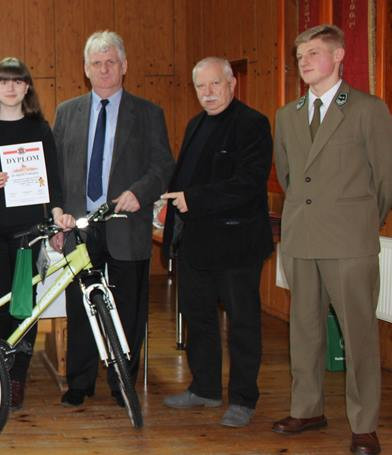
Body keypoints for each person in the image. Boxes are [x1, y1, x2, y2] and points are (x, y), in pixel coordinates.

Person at [272, 24, 392, 455]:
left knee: (358, 336)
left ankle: (364, 424)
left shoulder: (366, 109)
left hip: (349, 241)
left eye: (314, 53)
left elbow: (385, 180)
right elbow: (287, 176)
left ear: (339, 56)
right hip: (302, 238)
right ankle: (307, 409)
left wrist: (358, 221)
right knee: (302, 331)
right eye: (300, 54)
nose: (304, 61)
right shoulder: (287, 115)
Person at [50, 31, 174, 407]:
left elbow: (163, 165)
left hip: (126, 223)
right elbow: (53, 171)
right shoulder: (66, 112)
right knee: (80, 304)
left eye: (111, 62)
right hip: (79, 226)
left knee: (128, 308)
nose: (104, 70)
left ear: (124, 66)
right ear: (85, 69)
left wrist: (141, 191)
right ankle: (79, 381)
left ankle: (123, 381)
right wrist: (56, 214)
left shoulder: (148, 112)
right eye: (96, 63)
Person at [158, 57, 273, 428]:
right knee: (199, 319)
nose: (207, 94)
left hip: (237, 246)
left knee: (242, 324)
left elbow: (248, 183)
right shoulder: (195, 125)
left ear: (232, 84)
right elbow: (185, 180)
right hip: (196, 245)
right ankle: (205, 388)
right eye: (200, 87)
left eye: (214, 85)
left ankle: (243, 398)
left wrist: (196, 199)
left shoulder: (252, 124)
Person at [0, 57, 72, 409]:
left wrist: (57, 213)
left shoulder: (41, 130)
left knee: (24, 307)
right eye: (3, 81)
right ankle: (2, 369)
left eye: (17, 81)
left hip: (29, 233)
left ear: (27, 87)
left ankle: (16, 377)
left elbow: (53, 180)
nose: (10, 87)